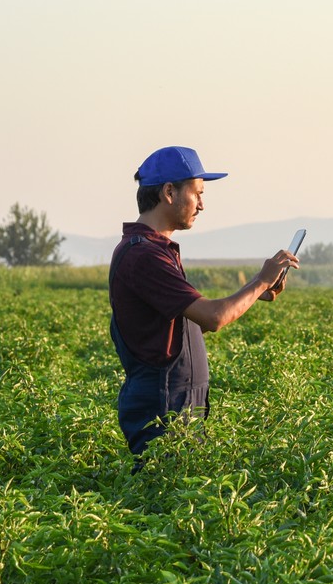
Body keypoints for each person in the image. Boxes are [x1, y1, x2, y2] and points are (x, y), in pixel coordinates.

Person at [108, 146, 299, 466]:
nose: (202, 205)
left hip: (176, 405)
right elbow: (212, 317)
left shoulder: (153, 250)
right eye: (197, 193)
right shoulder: (144, 256)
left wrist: (257, 293)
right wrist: (260, 282)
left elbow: (185, 321)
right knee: (162, 505)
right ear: (169, 192)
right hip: (162, 411)